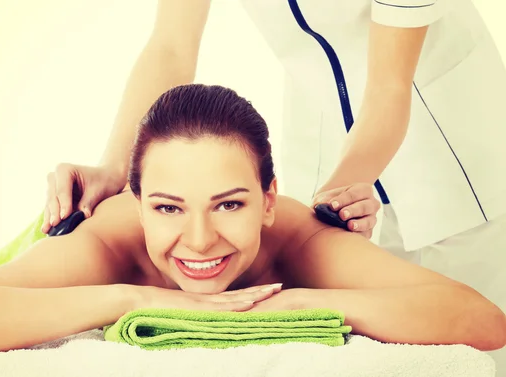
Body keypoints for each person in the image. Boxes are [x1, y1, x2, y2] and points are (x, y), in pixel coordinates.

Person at [40, 1, 506, 371]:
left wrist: (340, 195)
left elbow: (388, 87)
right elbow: (172, 45)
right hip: (320, 117)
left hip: (447, 135)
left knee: (453, 336)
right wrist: (115, 167)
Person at [0, 84, 505, 354]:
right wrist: (132, 302)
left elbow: (480, 320)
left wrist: (301, 303)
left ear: (269, 200)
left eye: (230, 204)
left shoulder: (298, 238)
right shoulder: (112, 242)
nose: (199, 240)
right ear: (138, 203)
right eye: (168, 208)